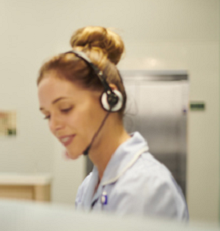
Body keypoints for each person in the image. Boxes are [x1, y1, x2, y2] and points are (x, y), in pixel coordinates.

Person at [37, 26, 187, 221]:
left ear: (110, 99)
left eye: (65, 108)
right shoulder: (89, 187)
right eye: (47, 115)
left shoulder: (146, 188)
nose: (54, 125)